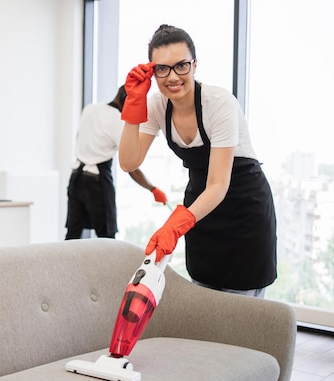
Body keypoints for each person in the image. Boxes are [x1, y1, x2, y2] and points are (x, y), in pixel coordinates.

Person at [118, 24, 277, 298]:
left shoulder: (219, 102)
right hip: (201, 212)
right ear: (152, 71)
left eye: (181, 66)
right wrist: (134, 103)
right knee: (205, 303)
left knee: (241, 315)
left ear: (194, 65)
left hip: (242, 207)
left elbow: (218, 183)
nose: (173, 77)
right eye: (162, 69)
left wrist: (176, 223)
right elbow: (129, 161)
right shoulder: (157, 105)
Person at [65, 85, 168, 240]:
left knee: (72, 235)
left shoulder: (90, 109)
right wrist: (153, 189)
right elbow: (131, 166)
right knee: (107, 238)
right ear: (128, 101)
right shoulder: (119, 122)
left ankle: (67, 265)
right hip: (97, 182)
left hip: (76, 178)